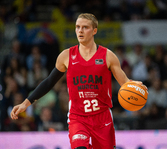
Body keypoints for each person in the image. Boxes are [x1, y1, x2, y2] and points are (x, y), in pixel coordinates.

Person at [10, 13, 147, 149]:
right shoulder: (66, 56)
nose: (80, 31)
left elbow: (125, 83)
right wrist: (25, 103)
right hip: (78, 118)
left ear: (94, 31)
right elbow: (49, 82)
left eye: (85, 27)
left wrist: (135, 87)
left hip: (102, 118)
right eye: (77, 27)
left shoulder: (108, 56)